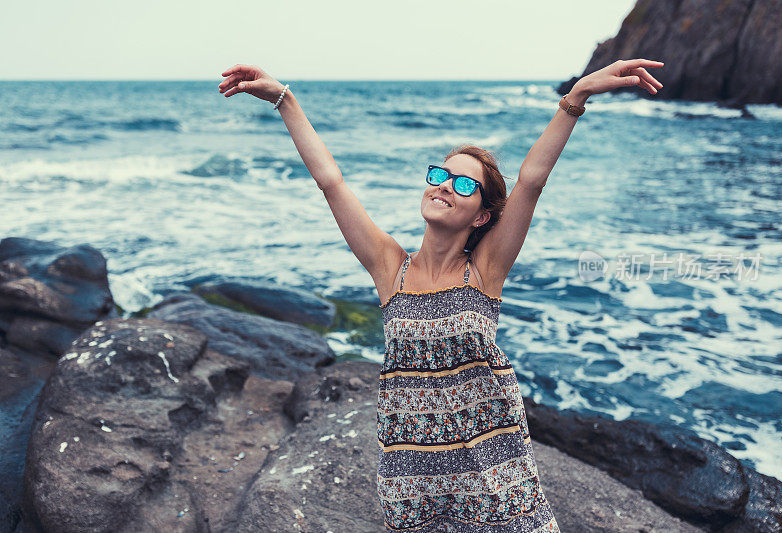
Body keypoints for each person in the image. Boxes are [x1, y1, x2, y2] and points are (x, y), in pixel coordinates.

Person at [218, 58, 664, 532]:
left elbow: (531, 180)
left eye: (465, 184)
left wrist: (575, 99)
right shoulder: (390, 266)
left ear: (481, 216)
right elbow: (331, 182)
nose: (446, 186)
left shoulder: (484, 271)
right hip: (413, 482)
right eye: (441, 174)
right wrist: (284, 99)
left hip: (493, 473)